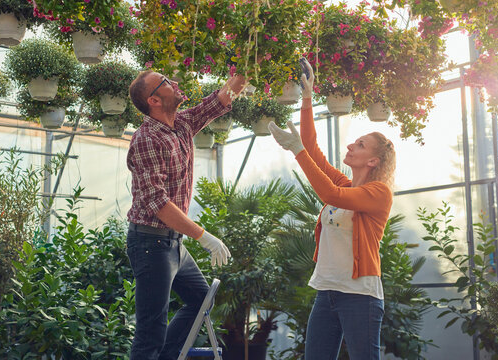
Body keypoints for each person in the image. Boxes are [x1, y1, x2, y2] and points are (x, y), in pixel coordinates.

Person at [268, 59, 396, 360]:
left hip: (360, 297)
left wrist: (296, 150)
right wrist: (308, 97)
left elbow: (329, 193)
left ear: (373, 161)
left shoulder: (378, 193)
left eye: (361, 145)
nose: (351, 145)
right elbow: (312, 150)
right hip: (327, 292)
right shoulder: (347, 183)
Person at [126, 70, 246, 360]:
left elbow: (217, 101)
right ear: (154, 99)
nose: (176, 83)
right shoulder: (146, 139)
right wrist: (203, 236)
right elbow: (158, 202)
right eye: (167, 82)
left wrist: (247, 66)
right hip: (150, 244)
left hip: (172, 243)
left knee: (201, 300)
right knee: (149, 332)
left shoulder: (181, 123)